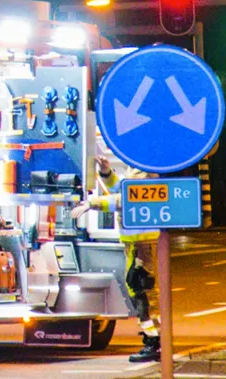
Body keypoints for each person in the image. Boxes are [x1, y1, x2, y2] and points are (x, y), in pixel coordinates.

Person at [72, 155, 161, 363]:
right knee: (137, 290)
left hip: (142, 244)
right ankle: (152, 338)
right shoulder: (139, 165)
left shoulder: (146, 167)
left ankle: (154, 341)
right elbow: (122, 188)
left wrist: (92, 203)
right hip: (136, 244)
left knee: (143, 293)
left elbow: (127, 198)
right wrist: (106, 172)